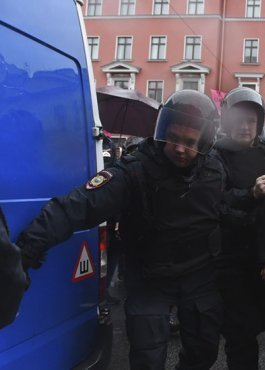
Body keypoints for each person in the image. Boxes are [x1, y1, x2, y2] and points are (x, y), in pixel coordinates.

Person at [16, 90, 224, 369]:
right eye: (173, 138)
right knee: (147, 359)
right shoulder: (133, 171)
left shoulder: (215, 171)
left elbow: (237, 207)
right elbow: (77, 207)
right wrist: (25, 250)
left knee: (204, 353)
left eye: (190, 142)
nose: (179, 148)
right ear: (161, 131)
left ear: (205, 142)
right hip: (149, 278)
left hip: (198, 278)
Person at [214, 87, 265, 370]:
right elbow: (216, 199)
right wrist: (251, 194)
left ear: (259, 124)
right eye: (238, 121)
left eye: (250, 121)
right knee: (240, 332)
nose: (244, 127)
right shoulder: (215, 155)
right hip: (230, 257)